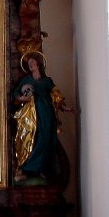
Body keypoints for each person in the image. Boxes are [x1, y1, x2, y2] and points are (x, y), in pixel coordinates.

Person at [13, 52, 69, 183]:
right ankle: (27, 169)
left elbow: (56, 95)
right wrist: (22, 97)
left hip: (47, 112)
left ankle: (41, 169)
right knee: (36, 138)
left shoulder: (46, 81)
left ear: (38, 63)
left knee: (48, 138)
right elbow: (16, 93)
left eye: (32, 63)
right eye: (28, 64)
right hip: (32, 113)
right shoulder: (26, 80)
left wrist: (65, 107)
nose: (30, 65)